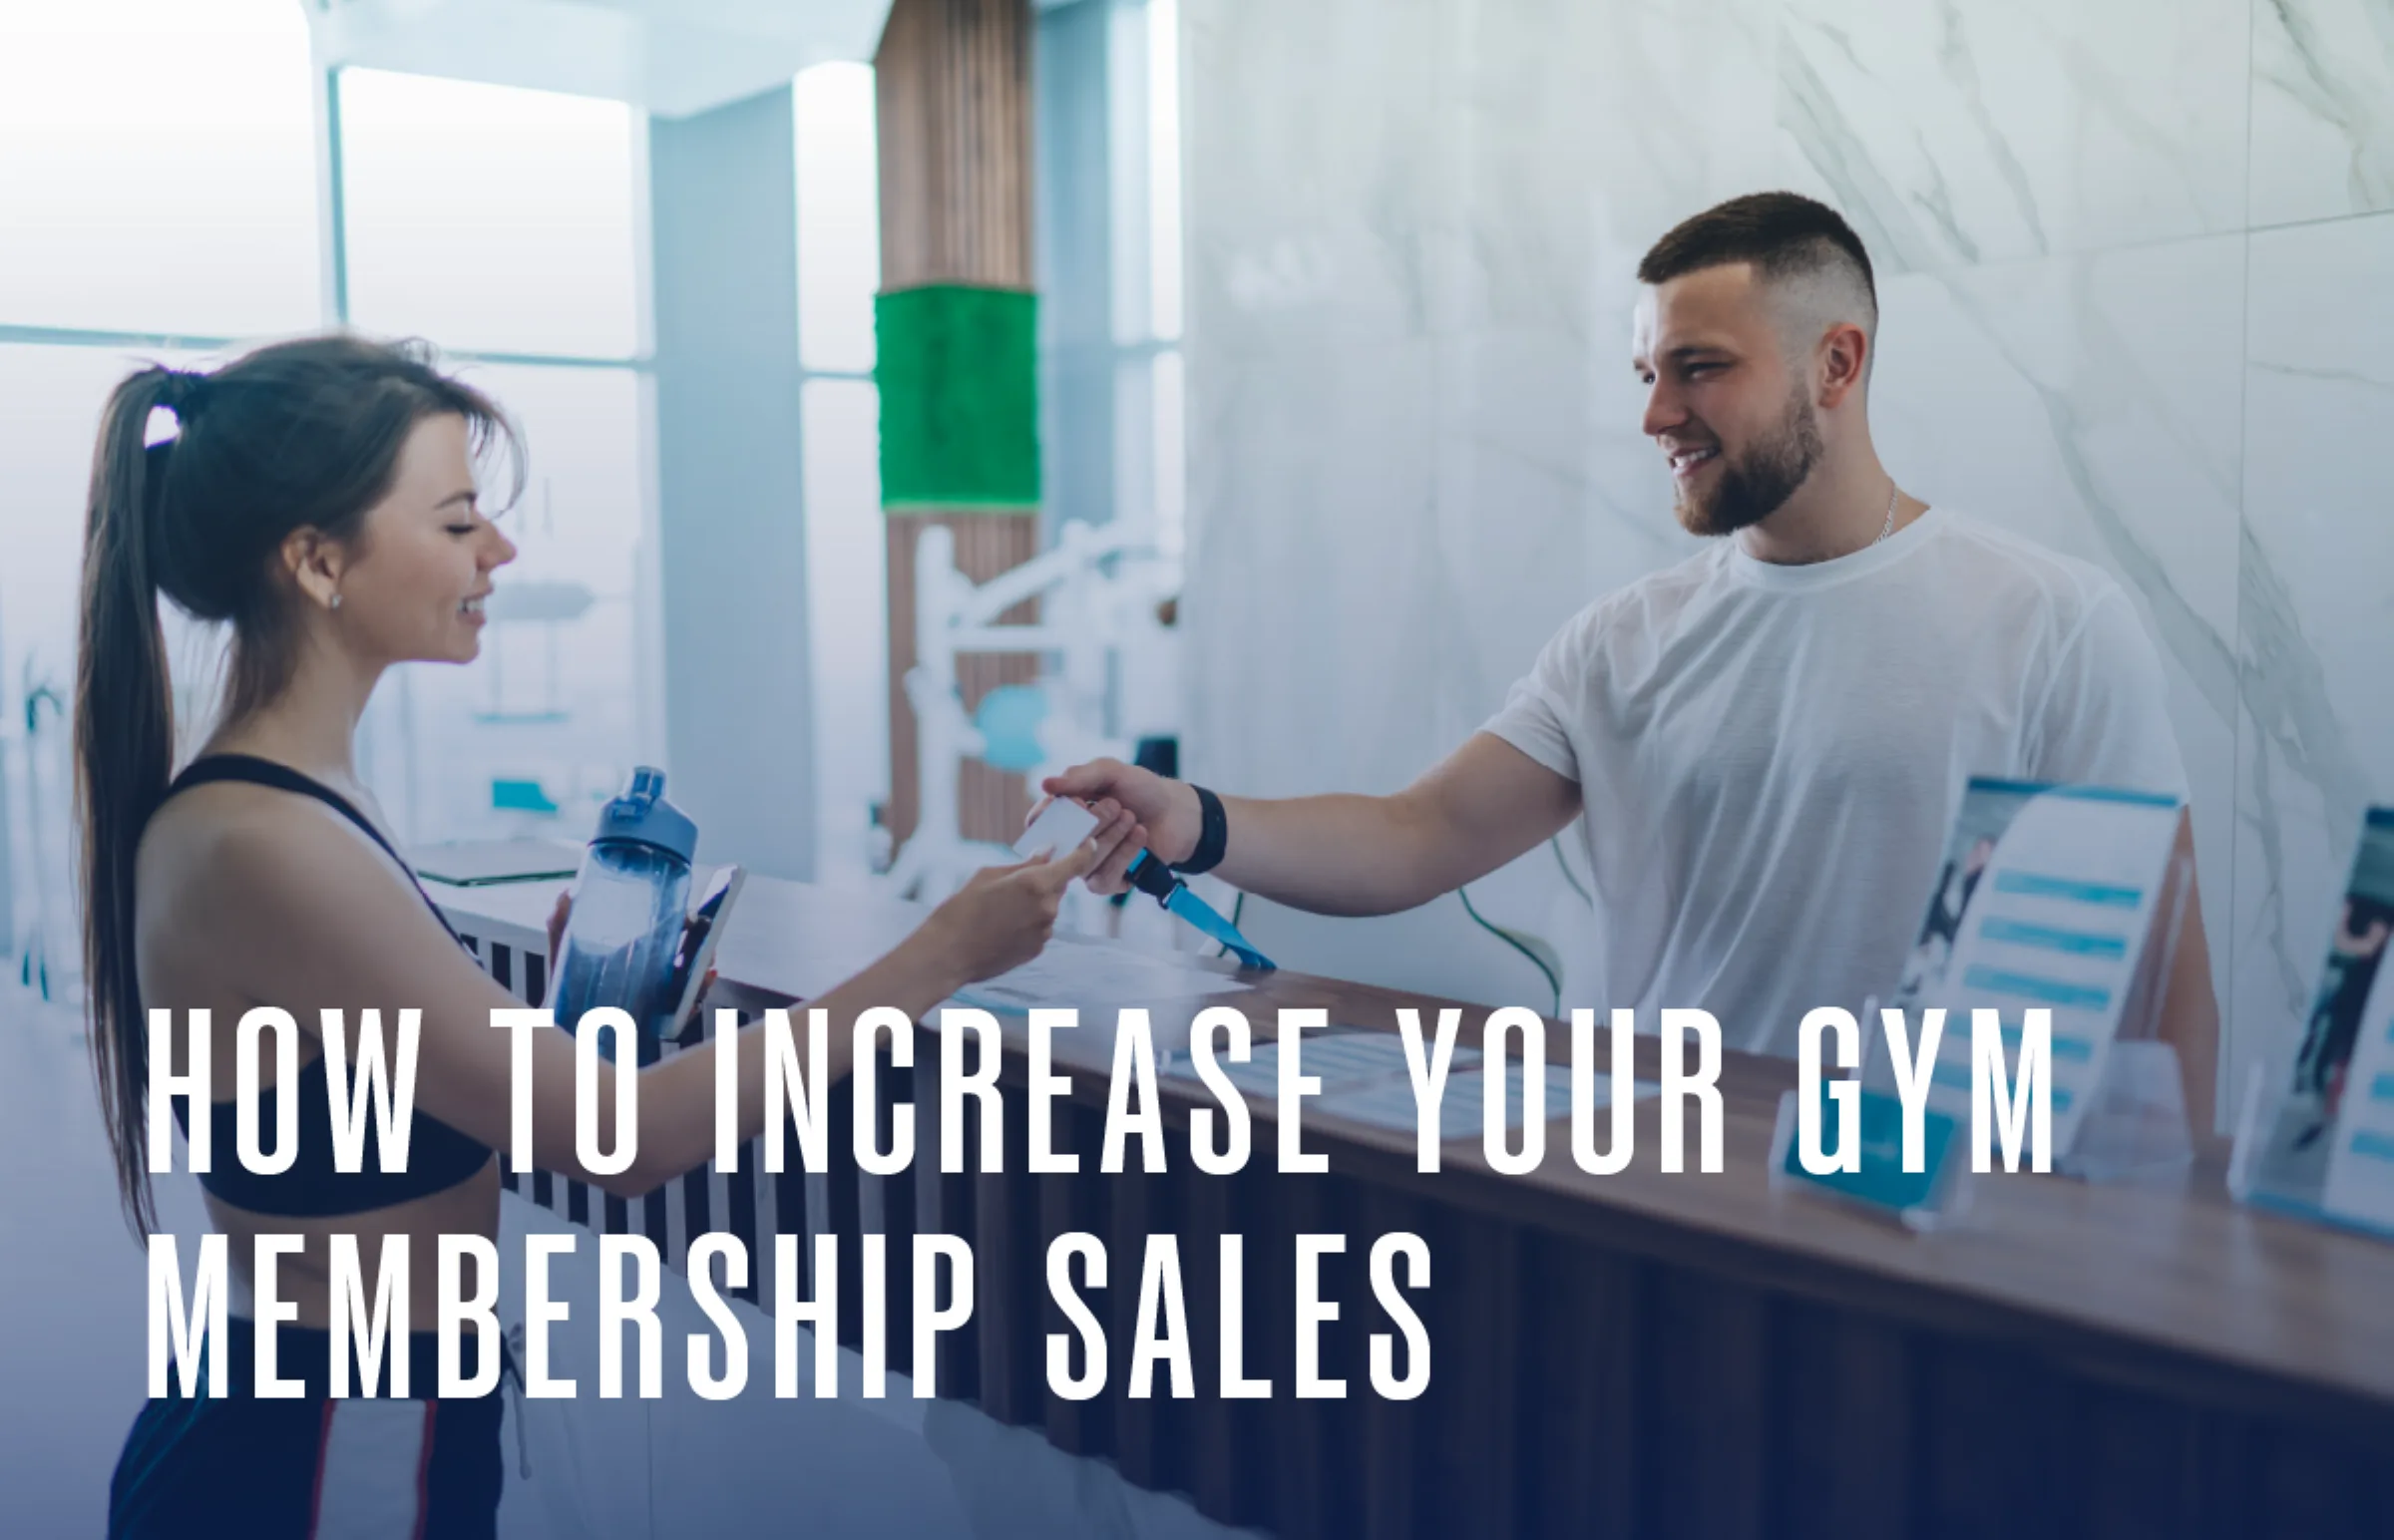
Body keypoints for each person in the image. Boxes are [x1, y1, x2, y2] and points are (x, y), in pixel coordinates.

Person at [78, 336, 1140, 1538]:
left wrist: (578, 1020)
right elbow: (617, 1142)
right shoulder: (266, 838)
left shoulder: (294, 801)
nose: (500, 552)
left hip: (365, 1415)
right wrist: (942, 953)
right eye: (458, 520)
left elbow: (393, 1100)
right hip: (327, 1445)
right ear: (319, 559)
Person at [1045, 191, 2219, 1115]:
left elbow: (2159, 968)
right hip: (1657, 1187)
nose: (1657, 413)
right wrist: (1188, 817)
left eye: (1699, 367)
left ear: (1838, 363)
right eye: (1648, 374)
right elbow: (1421, 832)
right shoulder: (1622, 638)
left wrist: (2181, 1246)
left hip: (1916, 1220)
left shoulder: (2052, 620)